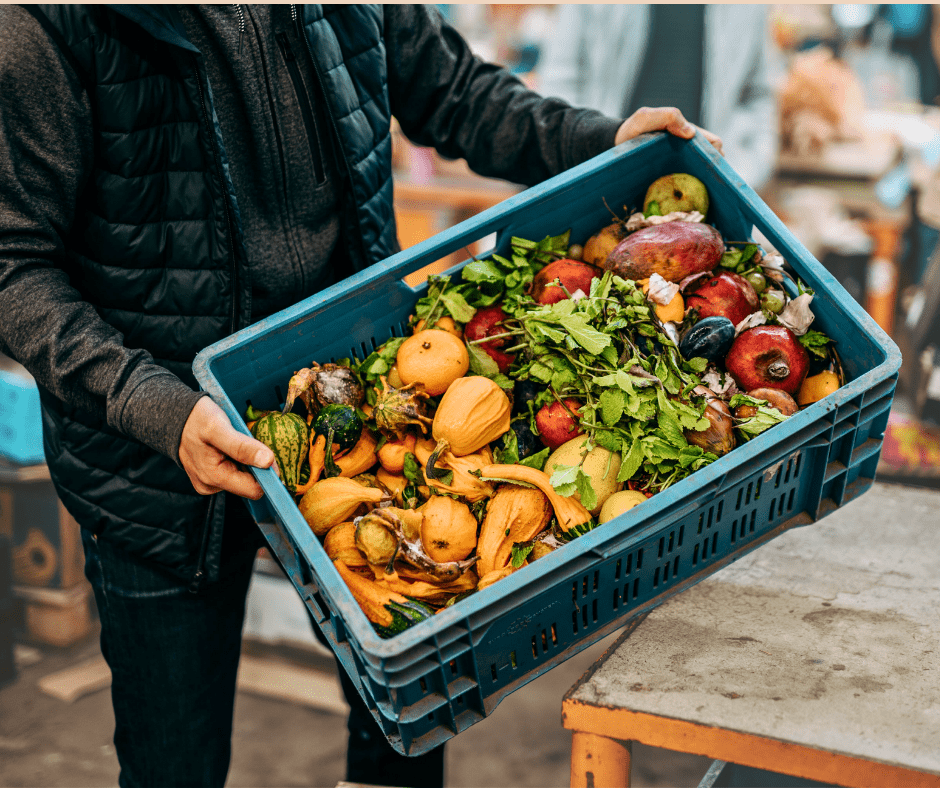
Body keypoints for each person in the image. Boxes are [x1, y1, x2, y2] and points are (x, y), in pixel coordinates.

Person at [0, 5, 722, 788]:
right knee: (174, 756)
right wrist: (155, 407)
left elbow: (454, 91)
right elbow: (13, 263)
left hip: (366, 408)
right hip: (154, 461)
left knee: (407, 722)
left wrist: (596, 140)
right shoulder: (48, 22)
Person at [538, 4, 778, 192]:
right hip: (604, 175)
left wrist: (744, 172)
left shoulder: (749, 6)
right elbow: (561, 80)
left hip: (703, 184)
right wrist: (583, 156)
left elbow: (758, 94)